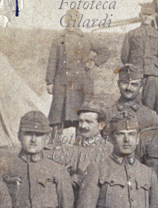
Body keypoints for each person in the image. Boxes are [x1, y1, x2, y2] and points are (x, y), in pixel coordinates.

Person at [46, 9, 111, 142]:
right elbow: (52, 61)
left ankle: (80, 143)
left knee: (79, 115)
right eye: (69, 18)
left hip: (80, 83)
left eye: (74, 19)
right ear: (65, 20)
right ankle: (54, 144)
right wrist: (49, 82)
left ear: (79, 21)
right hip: (61, 82)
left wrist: (93, 62)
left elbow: (105, 51)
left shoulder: (86, 38)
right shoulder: (59, 40)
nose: (71, 22)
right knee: (57, 116)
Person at [120, 2, 158, 110]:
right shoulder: (131, 34)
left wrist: (157, 70)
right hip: (135, 73)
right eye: (144, 14)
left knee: (151, 102)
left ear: (154, 16)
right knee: (132, 100)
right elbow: (124, 56)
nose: (146, 17)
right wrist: (132, 68)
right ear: (140, 15)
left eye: (149, 15)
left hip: (152, 74)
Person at [110, 64, 158, 143]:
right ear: (118, 84)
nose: (128, 88)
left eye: (134, 84)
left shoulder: (150, 116)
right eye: (125, 83)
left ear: (141, 86)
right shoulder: (109, 113)